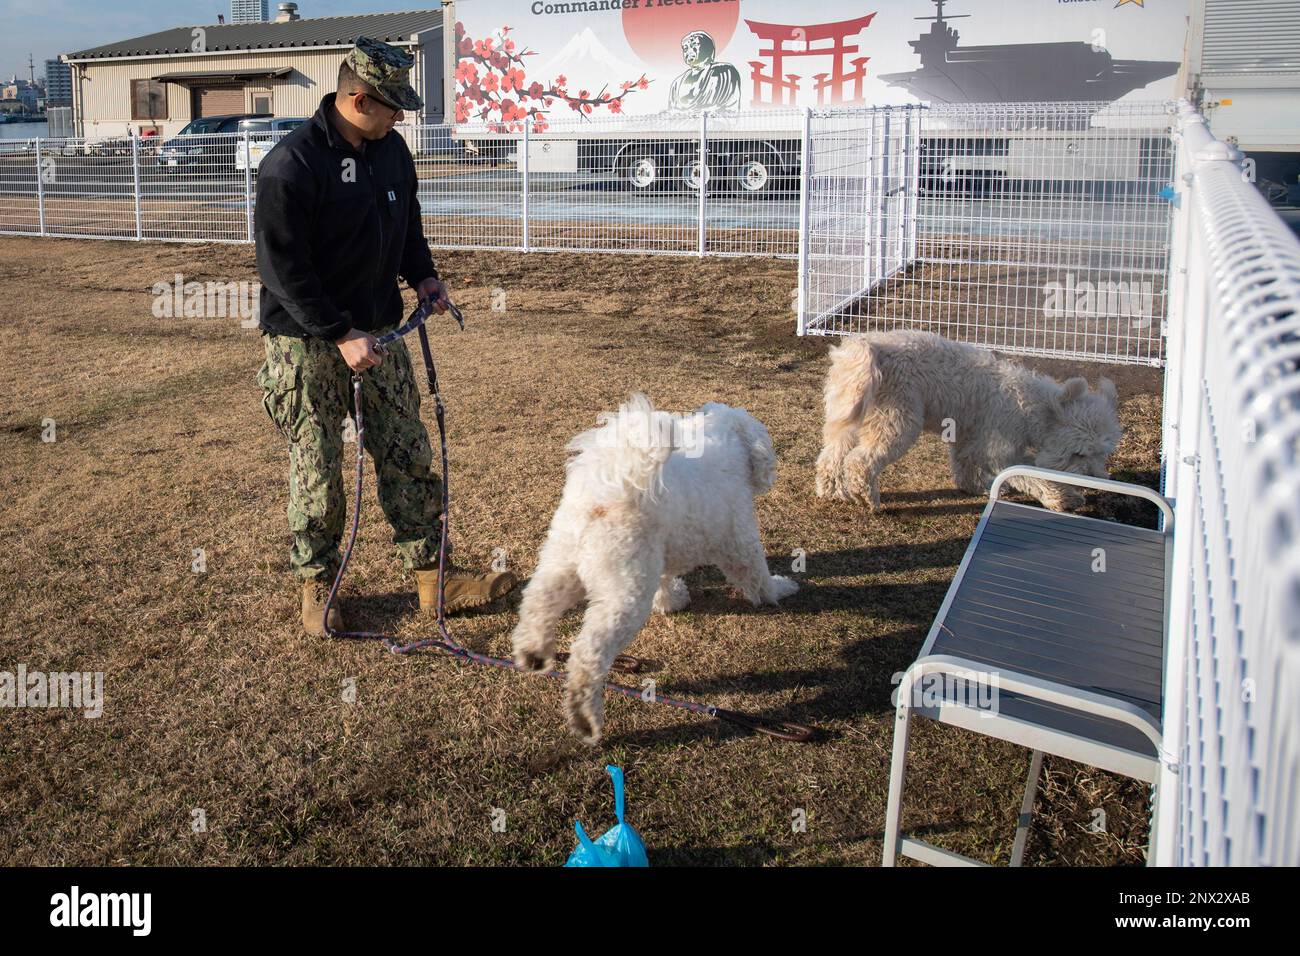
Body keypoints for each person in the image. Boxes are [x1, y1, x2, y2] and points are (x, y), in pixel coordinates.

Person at [254, 36, 517, 635]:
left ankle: (434, 578)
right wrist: (339, 331)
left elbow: (406, 223)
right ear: (357, 98)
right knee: (317, 464)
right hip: (308, 342)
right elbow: (283, 270)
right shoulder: (292, 165)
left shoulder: (391, 150)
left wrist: (422, 274)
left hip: (380, 332)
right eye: (393, 106)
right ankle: (318, 586)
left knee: (407, 449)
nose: (401, 117)